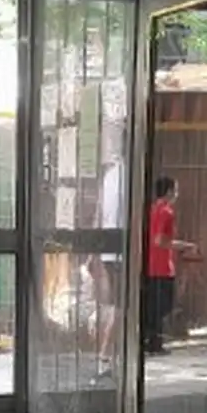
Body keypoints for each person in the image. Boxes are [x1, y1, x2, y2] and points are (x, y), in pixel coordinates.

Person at [143, 175, 195, 355]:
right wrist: (185, 246)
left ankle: (151, 341)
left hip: (149, 265)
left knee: (153, 306)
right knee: (164, 305)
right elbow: (160, 240)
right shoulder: (167, 212)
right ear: (169, 192)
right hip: (162, 266)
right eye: (175, 190)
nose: (177, 194)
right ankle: (154, 342)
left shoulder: (151, 210)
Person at [90, 154, 124, 374]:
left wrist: (93, 250)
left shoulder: (110, 175)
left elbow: (99, 213)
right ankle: (105, 354)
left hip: (109, 250)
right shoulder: (131, 176)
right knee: (122, 306)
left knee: (117, 304)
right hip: (122, 250)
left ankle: (111, 354)